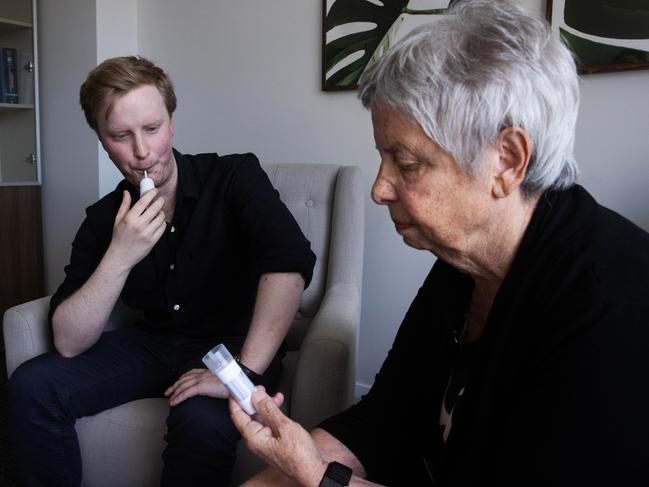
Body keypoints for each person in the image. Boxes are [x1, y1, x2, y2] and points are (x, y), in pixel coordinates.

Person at [229, 1, 649, 486]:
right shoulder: (463, 260)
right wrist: (294, 460)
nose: (379, 188)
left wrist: (317, 475)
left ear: (506, 161)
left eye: (407, 165)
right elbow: (385, 418)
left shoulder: (614, 312)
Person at [7, 55, 316, 486]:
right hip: (154, 343)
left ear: (171, 122)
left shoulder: (234, 176)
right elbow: (69, 342)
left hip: (232, 349)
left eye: (152, 129)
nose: (141, 151)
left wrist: (242, 372)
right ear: (101, 139)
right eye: (120, 135)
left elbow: (289, 263)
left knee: (203, 424)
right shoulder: (103, 219)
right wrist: (120, 254)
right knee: (32, 386)